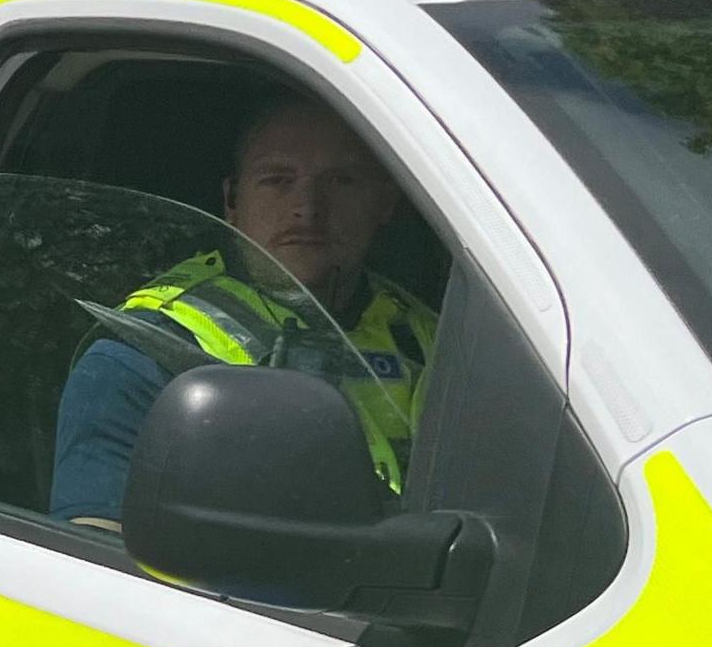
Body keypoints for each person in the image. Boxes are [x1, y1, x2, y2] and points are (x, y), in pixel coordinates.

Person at [51, 93, 437, 530]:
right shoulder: (144, 351)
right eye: (277, 180)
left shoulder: (439, 337)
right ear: (232, 201)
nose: (307, 208)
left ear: (385, 203)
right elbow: (97, 564)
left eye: (340, 181)